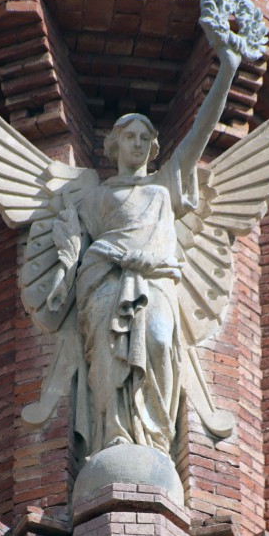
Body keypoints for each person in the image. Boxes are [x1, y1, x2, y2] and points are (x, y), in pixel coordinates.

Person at [60, 45, 242, 455]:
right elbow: (77, 246)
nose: (138, 144)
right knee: (107, 356)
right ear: (115, 144)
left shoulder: (163, 188)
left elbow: (200, 133)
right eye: (130, 137)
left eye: (145, 138)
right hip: (106, 285)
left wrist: (227, 69)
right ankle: (114, 435)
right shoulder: (96, 198)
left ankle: (156, 439)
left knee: (160, 340)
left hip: (156, 282)